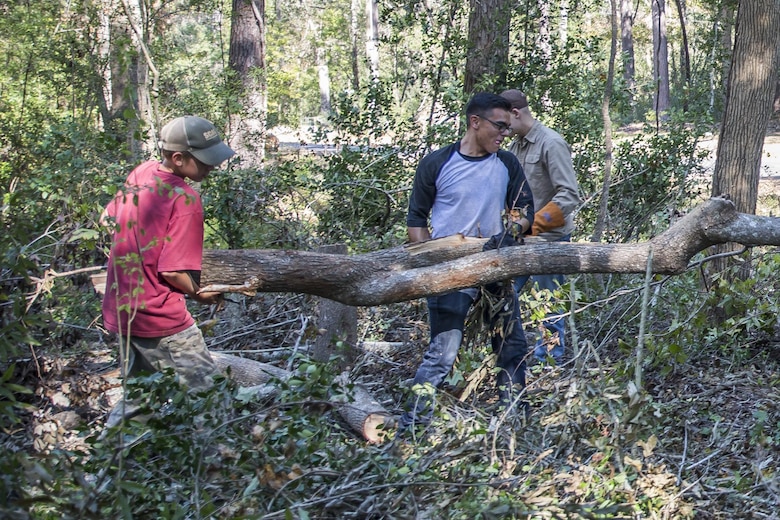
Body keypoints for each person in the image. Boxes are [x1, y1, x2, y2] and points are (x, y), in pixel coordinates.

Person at [399, 93, 535, 435]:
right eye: (499, 126)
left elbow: (525, 212)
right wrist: (429, 260)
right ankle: (411, 430)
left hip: (494, 267)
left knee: (511, 346)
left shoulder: (507, 164)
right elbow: (416, 218)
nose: (505, 133)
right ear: (475, 122)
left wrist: (511, 232)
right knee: (442, 353)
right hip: (450, 273)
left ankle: (515, 423)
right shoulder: (437, 163)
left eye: (508, 127)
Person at [101, 115, 235, 427]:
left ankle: (104, 471)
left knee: (138, 400)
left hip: (122, 310)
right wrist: (200, 293)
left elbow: (107, 221)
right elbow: (173, 272)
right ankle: (220, 470)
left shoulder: (142, 171)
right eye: (204, 161)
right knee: (210, 402)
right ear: (178, 158)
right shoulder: (185, 198)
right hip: (162, 318)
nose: (211, 167)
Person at [500, 89, 581, 365]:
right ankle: (509, 358)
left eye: (503, 120)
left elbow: (569, 195)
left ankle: (549, 365)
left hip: (550, 240)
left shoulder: (551, 143)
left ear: (516, 113)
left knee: (549, 306)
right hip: (520, 241)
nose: (502, 128)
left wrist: (530, 227)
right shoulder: (516, 146)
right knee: (503, 295)